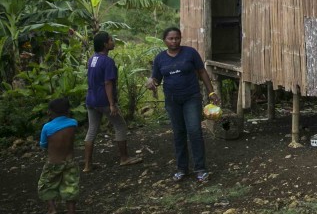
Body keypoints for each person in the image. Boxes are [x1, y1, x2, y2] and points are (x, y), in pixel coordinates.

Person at [146, 27, 218, 183]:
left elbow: (202, 72)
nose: (174, 41)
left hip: (191, 97)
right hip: (172, 100)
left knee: (194, 131)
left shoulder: (190, 53)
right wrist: (152, 83)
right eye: (171, 39)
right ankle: (182, 169)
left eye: (177, 38)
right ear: (164, 40)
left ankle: (200, 169)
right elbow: (157, 79)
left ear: (180, 38)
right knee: (178, 133)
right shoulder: (160, 59)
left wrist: (211, 92)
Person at [84, 31, 142, 172]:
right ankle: (124, 158)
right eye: (110, 40)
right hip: (103, 100)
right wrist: (111, 104)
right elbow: (108, 83)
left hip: (91, 100)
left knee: (92, 130)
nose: (113, 41)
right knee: (120, 126)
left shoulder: (92, 59)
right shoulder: (108, 61)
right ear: (105, 44)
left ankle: (87, 165)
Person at [37, 97, 79, 214]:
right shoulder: (73, 123)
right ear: (68, 111)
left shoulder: (47, 127)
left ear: (50, 112)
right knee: (70, 187)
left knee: (45, 185)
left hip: (53, 163)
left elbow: (43, 144)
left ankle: (51, 209)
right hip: (70, 162)